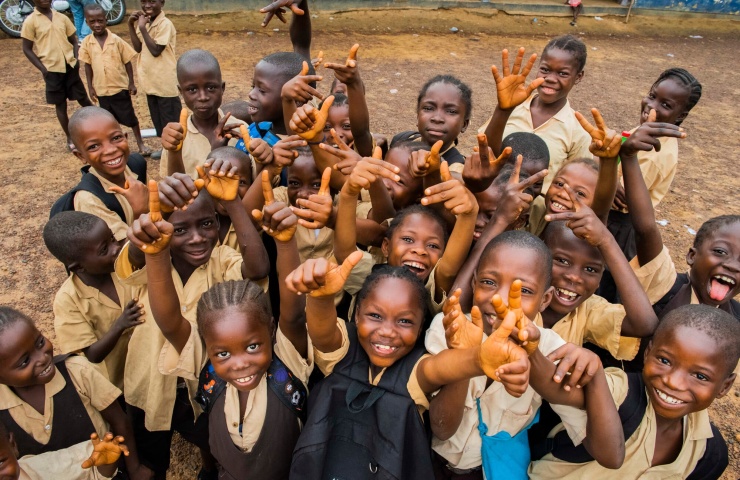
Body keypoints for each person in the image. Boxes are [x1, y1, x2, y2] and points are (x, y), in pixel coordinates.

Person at [285, 256, 535, 478]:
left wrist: (476, 359)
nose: (387, 332)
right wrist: (321, 298)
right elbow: (323, 334)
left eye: (405, 321)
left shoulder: (414, 371)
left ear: (419, 328)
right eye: (375, 316)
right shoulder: (343, 350)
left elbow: (438, 369)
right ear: (357, 313)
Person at [134, 172, 308, 479]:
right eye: (223, 353)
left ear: (271, 329)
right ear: (206, 345)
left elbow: (292, 314)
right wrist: (157, 255)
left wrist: (286, 243)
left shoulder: (288, 364)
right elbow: (170, 320)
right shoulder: (208, 367)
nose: (240, 364)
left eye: (252, 346)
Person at [426, 231, 624, 479]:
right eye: (489, 282)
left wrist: (537, 357)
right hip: (431, 462)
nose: (501, 300)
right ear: (474, 283)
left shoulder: (552, 350)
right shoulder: (450, 329)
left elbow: (612, 456)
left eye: (525, 291)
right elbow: (442, 430)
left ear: (545, 300)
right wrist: (464, 357)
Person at [116, 174, 269, 479]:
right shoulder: (151, 259)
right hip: (150, 379)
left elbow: (258, 268)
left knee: (209, 435)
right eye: (180, 229)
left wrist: (233, 203)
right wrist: (146, 235)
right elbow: (133, 257)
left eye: (207, 224)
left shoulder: (222, 259)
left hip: (203, 383)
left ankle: (210, 469)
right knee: (150, 446)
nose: (197, 238)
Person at [529, 304, 738, 479]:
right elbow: (556, 387)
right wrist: (530, 350)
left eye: (700, 376)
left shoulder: (709, 454)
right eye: (664, 361)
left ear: (725, 386)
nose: (673, 382)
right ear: (648, 353)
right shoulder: (621, 391)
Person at [0, 307, 151, 479]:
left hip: (107, 473)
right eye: (25, 361)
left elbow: (119, 421)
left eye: (40, 343)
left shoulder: (78, 372)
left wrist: (134, 468)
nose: (41, 358)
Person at [606, 68, 702, 262]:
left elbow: (620, 199)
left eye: (665, 104)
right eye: (652, 96)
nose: (651, 106)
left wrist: (603, 169)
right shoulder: (645, 131)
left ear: (681, 115)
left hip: (619, 227)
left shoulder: (655, 153)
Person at [44, 211, 144, 391]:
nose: (115, 248)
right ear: (78, 267)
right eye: (104, 249)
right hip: (115, 386)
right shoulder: (68, 301)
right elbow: (92, 355)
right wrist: (120, 325)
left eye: (113, 239)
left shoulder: (126, 266)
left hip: (148, 372)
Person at [481, 37, 591, 191]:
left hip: (538, 212)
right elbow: (485, 155)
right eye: (545, 70)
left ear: (578, 76)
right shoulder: (513, 108)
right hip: (492, 201)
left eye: (563, 73)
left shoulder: (578, 131)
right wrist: (502, 110)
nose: (550, 79)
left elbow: (577, 183)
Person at [159, 49, 247, 178]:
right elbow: (173, 184)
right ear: (181, 91)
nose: (203, 97)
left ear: (222, 88)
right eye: (192, 89)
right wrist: (174, 152)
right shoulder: (176, 137)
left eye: (211, 87)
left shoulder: (241, 129)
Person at [79, 3, 151, 156]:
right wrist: (90, 87)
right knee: (108, 121)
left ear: (106, 20)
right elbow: (87, 65)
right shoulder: (87, 43)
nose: (97, 25)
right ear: (87, 23)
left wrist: (131, 82)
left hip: (119, 88)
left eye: (100, 20)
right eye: (92, 22)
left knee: (130, 117)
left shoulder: (116, 40)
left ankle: (140, 143)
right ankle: (115, 146)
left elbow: (127, 61)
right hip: (102, 90)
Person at [67, 107, 149, 242]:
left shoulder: (135, 165)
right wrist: (141, 213)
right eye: (93, 146)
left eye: (116, 138)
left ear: (126, 138)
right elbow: (123, 254)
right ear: (81, 155)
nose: (110, 150)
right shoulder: (89, 200)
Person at [21, 0, 92, 151]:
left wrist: (75, 57)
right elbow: (27, 49)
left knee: (83, 98)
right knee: (60, 105)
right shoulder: (31, 21)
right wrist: (43, 69)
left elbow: (73, 39)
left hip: (70, 66)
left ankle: (99, 124)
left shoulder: (61, 17)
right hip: (52, 69)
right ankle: (70, 137)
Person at [128, 0, 181, 160]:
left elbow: (156, 50)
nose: (147, 5)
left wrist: (143, 27)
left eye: (152, 1)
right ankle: (166, 150)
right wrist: (132, 25)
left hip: (165, 82)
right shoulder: (145, 22)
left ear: (162, 3)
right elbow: (138, 48)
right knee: (158, 120)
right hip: (151, 82)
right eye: (144, 1)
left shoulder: (165, 24)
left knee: (171, 120)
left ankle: (178, 152)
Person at [0, 419, 134, 480]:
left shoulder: (40, 469)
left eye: (0, 463)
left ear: (13, 445)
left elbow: (93, 471)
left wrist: (106, 460)